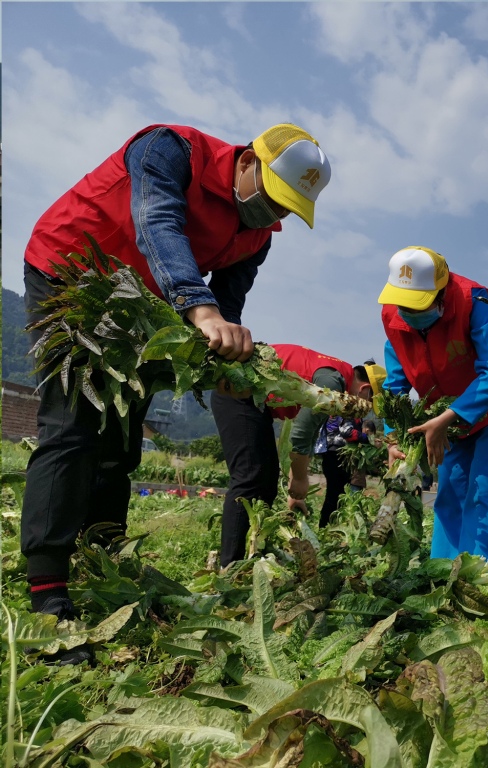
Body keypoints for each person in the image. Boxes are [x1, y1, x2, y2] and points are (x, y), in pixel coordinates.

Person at [20, 121, 331, 660]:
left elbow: (228, 304)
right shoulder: (169, 150)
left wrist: (222, 350)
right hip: (72, 275)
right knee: (71, 426)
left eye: (287, 210)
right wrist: (198, 305)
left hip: (137, 308)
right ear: (246, 163)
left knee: (120, 439)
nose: (273, 216)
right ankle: (48, 596)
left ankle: (102, 553)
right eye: (273, 199)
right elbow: (157, 223)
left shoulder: (257, 237)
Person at [378, 246, 488, 563]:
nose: (409, 313)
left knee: (481, 491)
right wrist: (392, 438)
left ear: (442, 292)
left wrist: (450, 416)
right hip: (447, 421)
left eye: (418, 305)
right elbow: (394, 387)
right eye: (403, 304)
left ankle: (475, 578)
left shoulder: (474, 303)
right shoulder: (394, 317)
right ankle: (442, 571)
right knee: (449, 492)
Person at [215, 346, 384, 562]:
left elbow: (309, 435)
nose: (365, 409)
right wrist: (302, 479)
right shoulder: (333, 384)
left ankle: (251, 554)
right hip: (238, 391)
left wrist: (296, 492)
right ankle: (230, 566)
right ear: (365, 390)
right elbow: (301, 433)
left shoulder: (334, 377)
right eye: (369, 404)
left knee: (266, 481)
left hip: (256, 404)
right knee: (250, 477)